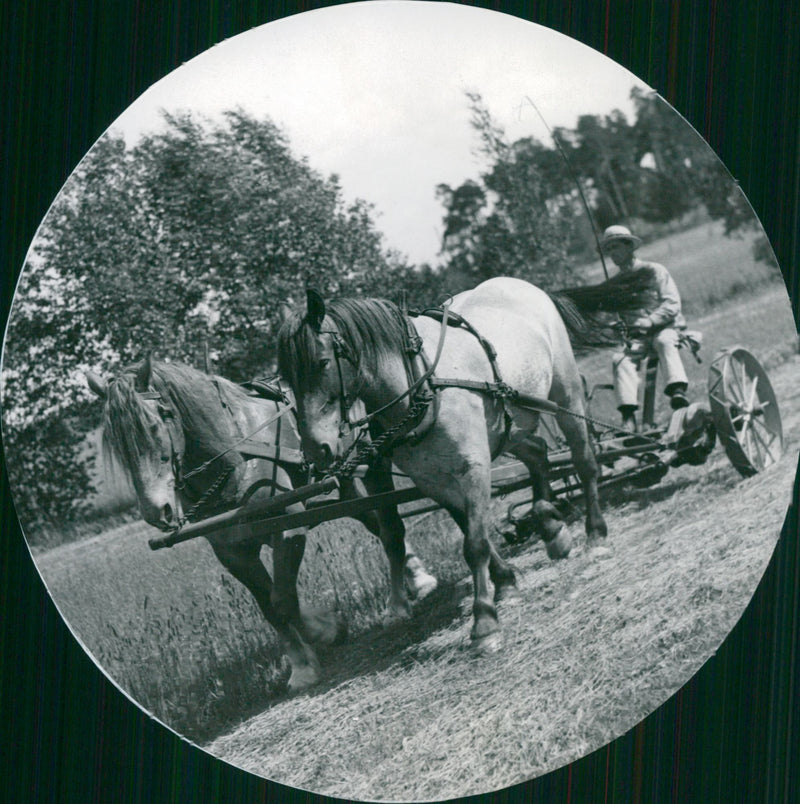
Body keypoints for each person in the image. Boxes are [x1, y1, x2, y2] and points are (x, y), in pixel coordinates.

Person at [600, 224, 690, 431]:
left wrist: (651, 321)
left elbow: (672, 303)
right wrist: (616, 326)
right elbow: (614, 317)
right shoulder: (614, 284)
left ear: (630, 246)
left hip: (666, 328)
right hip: (637, 340)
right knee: (619, 359)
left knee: (663, 341)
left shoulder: (654, 271)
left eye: (616, 247)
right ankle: (628, 416)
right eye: (609, 249)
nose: (612, 254)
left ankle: (677, 391)